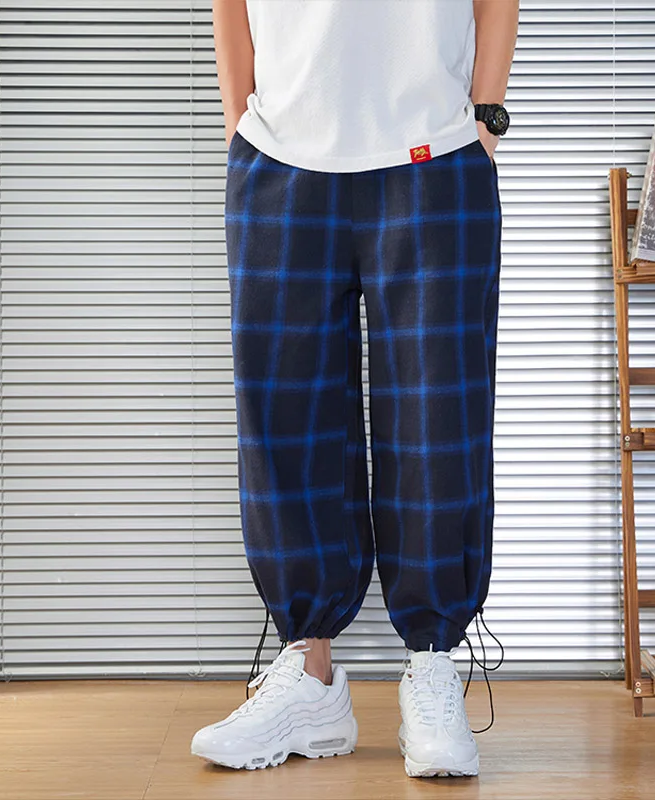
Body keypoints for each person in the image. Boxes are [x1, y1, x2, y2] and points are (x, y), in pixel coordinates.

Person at [192, 0, 518, 779]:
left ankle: (433, 666)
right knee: (283, 416)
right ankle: (309, 677)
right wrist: (237, 123)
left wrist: (485, 118)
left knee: (438, 422)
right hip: (278, 153)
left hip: (435, 150)